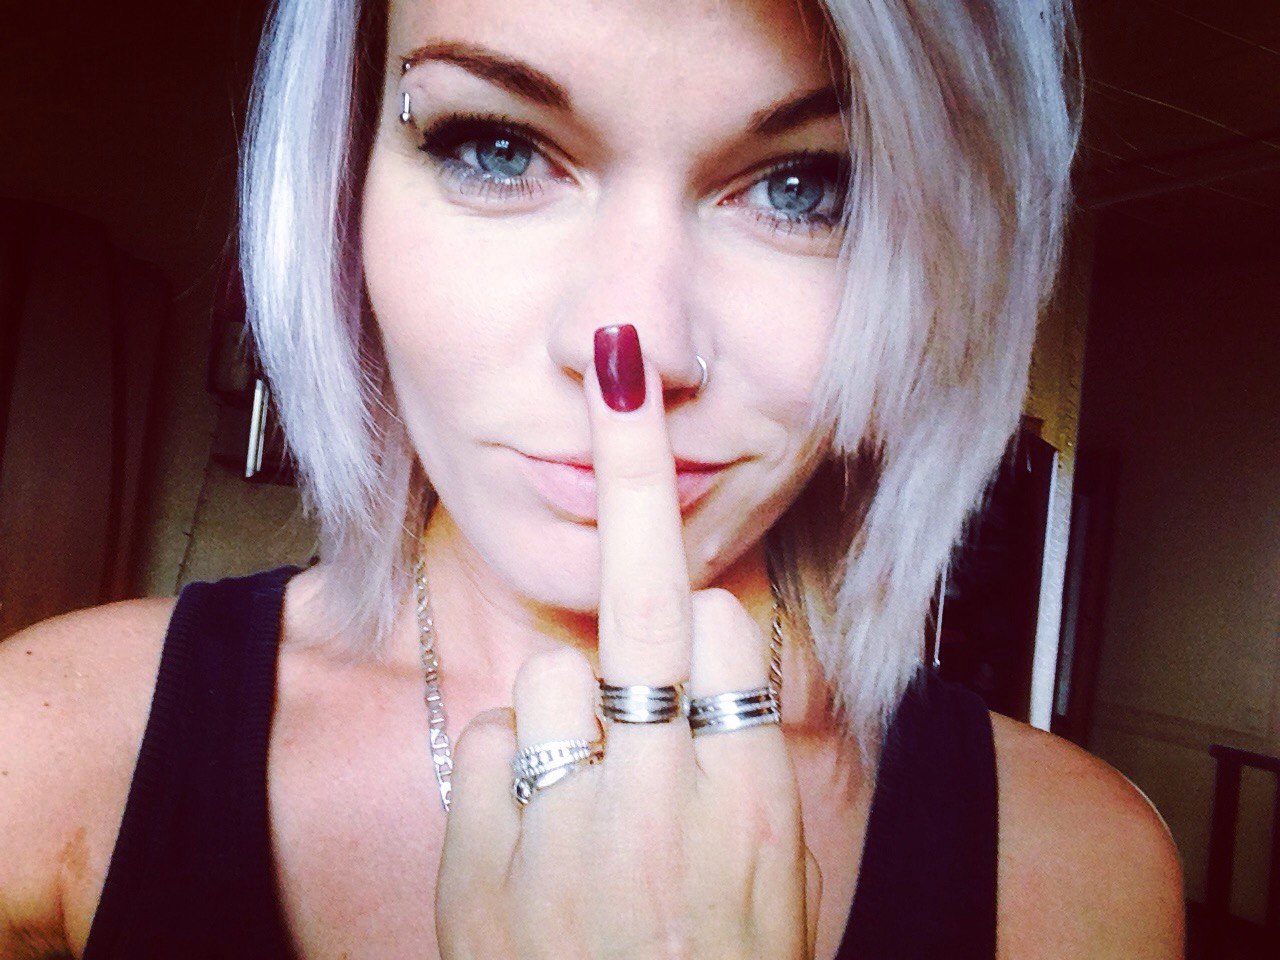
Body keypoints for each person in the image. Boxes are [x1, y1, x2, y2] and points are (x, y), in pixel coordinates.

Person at [0, 0, 1185, 957]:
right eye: (496, 146)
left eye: (803, 186)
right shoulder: (48, 752)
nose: (636, 341)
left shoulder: (1076, 870)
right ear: (343, 172)